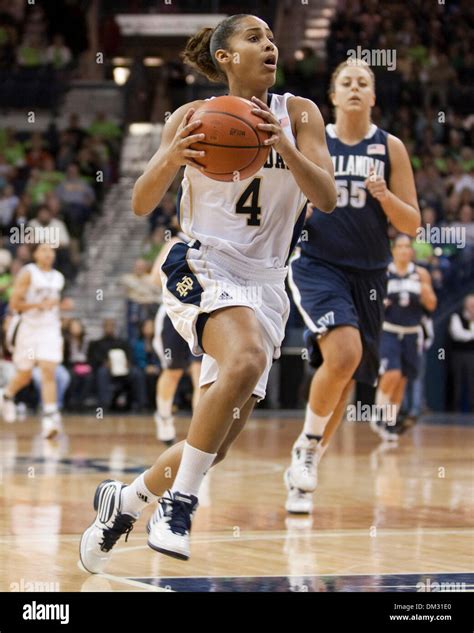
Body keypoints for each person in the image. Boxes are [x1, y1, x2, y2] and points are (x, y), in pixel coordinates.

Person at [80, 13, 336, 572]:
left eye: (272, 39)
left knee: (213, 443)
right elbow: (141, 202)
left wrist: (284, 148)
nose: (269, 46)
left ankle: (125, 501)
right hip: (202, 262)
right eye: (254, 38)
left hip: (268, 282)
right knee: (244, 359)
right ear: (224, 56)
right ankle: (180, 504)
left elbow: (329, 197)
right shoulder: (192, 117)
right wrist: (172, 155)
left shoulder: (299, 114)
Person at [286, 59, 421, 514]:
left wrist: (385, 197)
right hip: (316, 262)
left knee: (345, 380)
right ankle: (305, 447)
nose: (356, 88)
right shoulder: (315, 139)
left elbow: (413, 224)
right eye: (347, 82)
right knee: (343, 354)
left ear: (374, 96)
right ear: (333, 95)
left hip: (370, 272)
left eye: (365, 82)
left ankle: (303, 475)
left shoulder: (390, 147)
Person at [0, 244, 72, 438]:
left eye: (51, 250)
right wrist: (40, 304)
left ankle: (50, 418)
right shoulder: (28, 273)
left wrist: (62, 306)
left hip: (49, 329)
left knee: (49, 370)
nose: (48, 253)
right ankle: (6, 395)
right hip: (28, 328)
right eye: (44, 250)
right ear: (35, 254)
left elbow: (53, 303)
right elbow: (15, 304)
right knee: (25, 375)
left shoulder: (58, 277)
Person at [371, 234, 437, 441]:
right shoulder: (384, 273)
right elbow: (372, 301)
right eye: (400, 246)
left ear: (412, 251)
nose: (404, 250)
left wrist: (427, 295)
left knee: (402, 379)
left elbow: (432, 305)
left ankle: (390, 423)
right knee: (392, 373)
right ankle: (378, 414)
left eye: (407, 247)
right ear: (393, 251)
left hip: (412, 332)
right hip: (389, 330)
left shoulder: (421, 274)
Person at [150, 230, 202, 443]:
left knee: (201, 377)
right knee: (173, 372)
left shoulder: (213, 243)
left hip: (201, 315)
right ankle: (164, 417)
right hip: (173, 316)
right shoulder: (176, 242)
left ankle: (199, 435)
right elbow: (154, 279)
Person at [86, 318, 147, 413]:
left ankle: (141, 404)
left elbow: (130, 356)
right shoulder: (97, 344)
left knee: (136, 373)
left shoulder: (122, 342)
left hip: (124, 371)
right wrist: (104, 363)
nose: (109, 328)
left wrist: (128, 362)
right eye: (107, 326)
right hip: (107, 371)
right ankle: (104, 405)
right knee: (102, 372)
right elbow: (93, 360)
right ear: (103, 328)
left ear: (115, 328)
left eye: (111, 326)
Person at [448, 293, 474, 411]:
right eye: (471, 305)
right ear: (465, 305)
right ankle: (454, 408)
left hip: (472, 355)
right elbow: (457, 334)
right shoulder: (456, 316)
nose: (472, 307)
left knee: (472, 382)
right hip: (458, 354)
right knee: (456, 382)